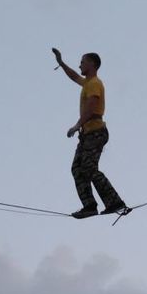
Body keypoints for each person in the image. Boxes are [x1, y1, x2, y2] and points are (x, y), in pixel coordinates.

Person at [52, 48, 128, 218]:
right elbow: (74, 76)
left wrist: (77, 124)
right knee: (77, 169)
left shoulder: (94, 84)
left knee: (89, 168)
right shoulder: (87, 83)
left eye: (82, 61)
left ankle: (114, 202)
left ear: (92, 64)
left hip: (96, 133)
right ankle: (89, 205)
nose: (80, 64)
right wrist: (61, 63)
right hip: (88, 135)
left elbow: (92, 108)